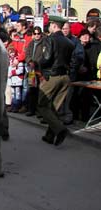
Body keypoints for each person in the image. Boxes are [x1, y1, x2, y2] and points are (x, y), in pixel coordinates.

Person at [37, 16, 74, 146]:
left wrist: (39, 63)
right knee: (54, 108)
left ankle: (60, 129)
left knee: (42, 105)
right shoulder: (69, 42)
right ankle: (49, 136)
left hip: (52, 76)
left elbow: (46, 58)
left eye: (50, 25)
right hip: (65, 76)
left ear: (53, 25)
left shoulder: (50, 39)